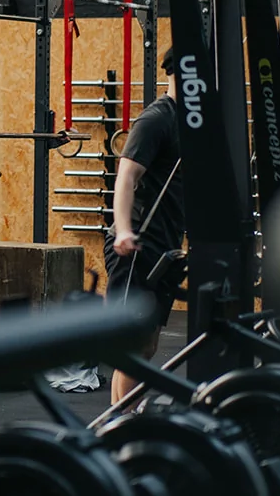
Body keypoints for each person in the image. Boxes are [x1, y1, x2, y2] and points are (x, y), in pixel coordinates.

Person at [105, 48, 186, 404]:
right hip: (137, 246)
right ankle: (122, 427)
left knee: (147, 345)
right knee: (135, 346)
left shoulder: (191, 122)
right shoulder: (157, 120)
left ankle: (117, 425)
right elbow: (126, 177)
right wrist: (123, 229)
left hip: (164, 248)